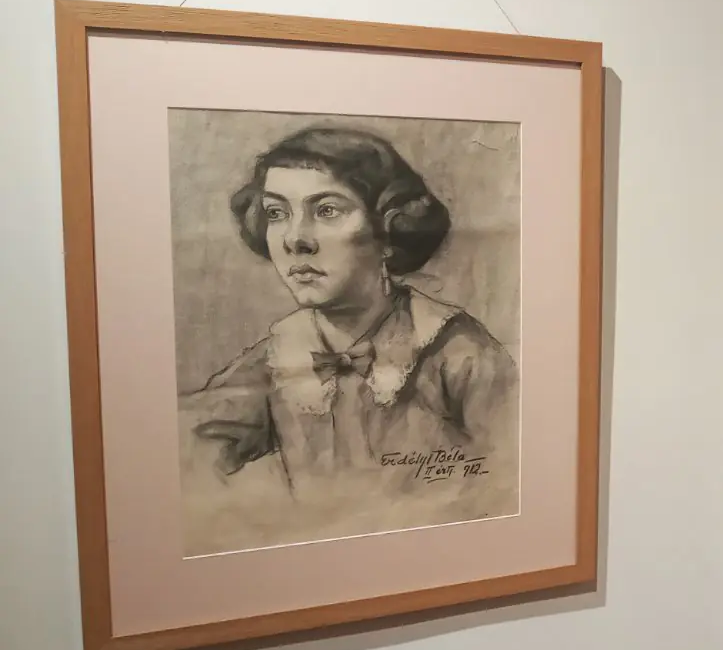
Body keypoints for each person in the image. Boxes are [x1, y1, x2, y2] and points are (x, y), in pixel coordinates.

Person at [178, 125, 517, 530]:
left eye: (326, 211)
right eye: (276, 214)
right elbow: (184, 451)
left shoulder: (459, 352)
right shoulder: (276, 358)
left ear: (388, 230)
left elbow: (514, 483)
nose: (295, 240)